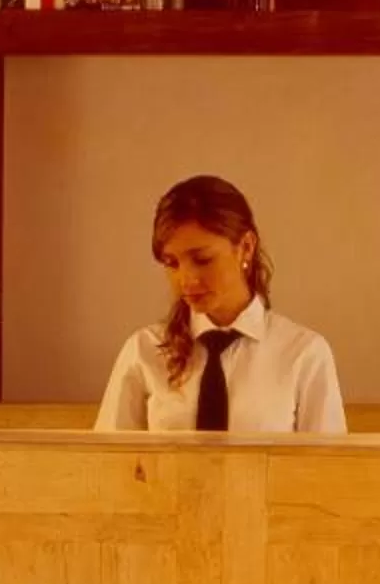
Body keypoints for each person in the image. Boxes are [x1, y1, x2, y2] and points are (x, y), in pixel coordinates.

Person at [92, 173, 346, 434]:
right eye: (172, 263)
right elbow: (107, 465)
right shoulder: (143, 351)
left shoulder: (305, 355)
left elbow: (326, 470)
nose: (186, 280)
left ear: (246, 247)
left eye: (202, 259)